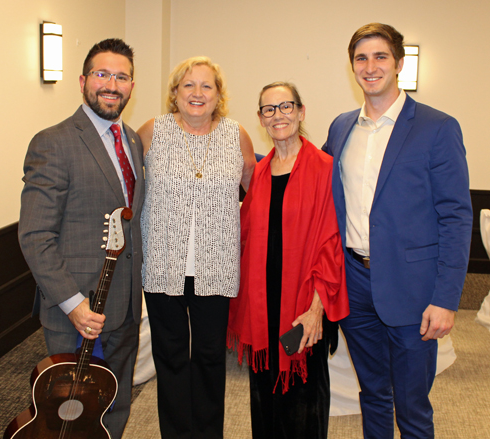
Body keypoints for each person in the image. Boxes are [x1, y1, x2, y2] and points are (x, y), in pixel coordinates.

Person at [323, 23, 472, 439]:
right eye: (361, 58)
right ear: (353, 66)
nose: (370, 67)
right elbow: (311, 178)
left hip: (412, 288)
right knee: (372, 392)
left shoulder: (437, 127)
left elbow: (457, 217)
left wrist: (446, 299)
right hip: (354, 283)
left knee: (411, 405)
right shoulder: (340, 128)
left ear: (399, 64)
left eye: (380, 57)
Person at [18, 38, 144, 439]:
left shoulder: (134, 141)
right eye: (102, 74)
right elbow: (35, 234)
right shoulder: (53, 141)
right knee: (68, 416)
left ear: (131, 85)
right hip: (74, 311)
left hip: (123, 306)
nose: (112, 83)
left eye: (121, 76)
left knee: (114, 404)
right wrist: (73, 305)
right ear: (82, 80)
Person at [138, 56, 256, 439]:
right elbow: (126, 187)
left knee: (208, 358)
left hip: (216, 266)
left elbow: (255, 195)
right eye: (189, 85)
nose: (198, 93)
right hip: (162, 264)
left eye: (207, 85)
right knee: (169, 357)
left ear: (219, 94)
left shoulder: (237, 135)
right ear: (174, 92)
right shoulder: (152, 131)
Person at [228, 82, 349, 439]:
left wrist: (316, 310)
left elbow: (332, 243)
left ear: (300, 111)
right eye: (269, 109)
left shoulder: (324, 168)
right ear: (261, 119)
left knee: (303, 404)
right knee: (264, 399)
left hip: (303, 306)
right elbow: (245, 235)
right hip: (263, 304)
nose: (278, 115)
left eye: (285, 106)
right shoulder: (261, 173)